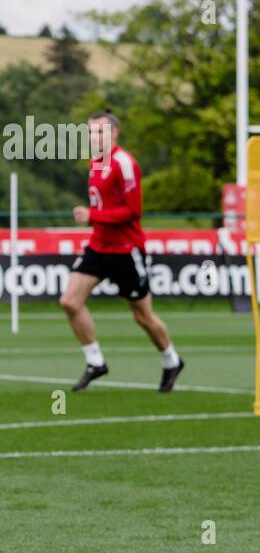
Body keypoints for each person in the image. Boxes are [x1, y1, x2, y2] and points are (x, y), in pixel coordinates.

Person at [61, 111, 185, 392]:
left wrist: (92, 216)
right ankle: (95, 362)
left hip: (126, 250)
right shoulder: (95, 162)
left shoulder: (124, 164)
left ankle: (171, 360)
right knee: (69, 301)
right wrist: (95, 220)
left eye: (100, 132)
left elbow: (133, 211)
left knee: (143, 316)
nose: (94, 137)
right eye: (91, 132)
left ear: (114, 133)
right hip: (99, 245)